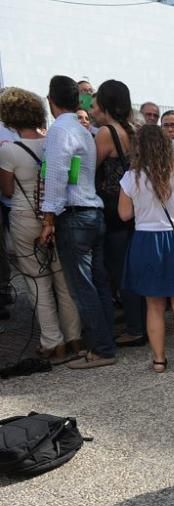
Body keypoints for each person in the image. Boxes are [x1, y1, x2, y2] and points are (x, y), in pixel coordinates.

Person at [38, 75, 117, 369]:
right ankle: (104, 343)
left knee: (83, 288)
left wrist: (48, 219)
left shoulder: (60, 130)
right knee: (97, 284)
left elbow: (57, 175)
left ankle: (102, 349)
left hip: (74, 215)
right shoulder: (83, 130)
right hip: (91, 212)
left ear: (51, 100)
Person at [0, 86, 82, 362]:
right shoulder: (50, 142)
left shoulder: (9, 151)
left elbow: (8, 191)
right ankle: (74, 338)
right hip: (55, 215)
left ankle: (52, 342)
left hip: (24, 218)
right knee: (63, 280)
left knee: (37, 282)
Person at [118, 124, 174, 372]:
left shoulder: (131, 178)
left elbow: (124, 215)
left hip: (145, 241)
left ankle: (159, 360)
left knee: (154, 305)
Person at [92, 79, 146, 349]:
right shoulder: (135, 129)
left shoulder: (106, 132)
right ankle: (141, 321)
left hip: (114, 205)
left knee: (119, 268)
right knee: (132, 266)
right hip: (137, 203)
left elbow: (93, 167)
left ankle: (135, 328)